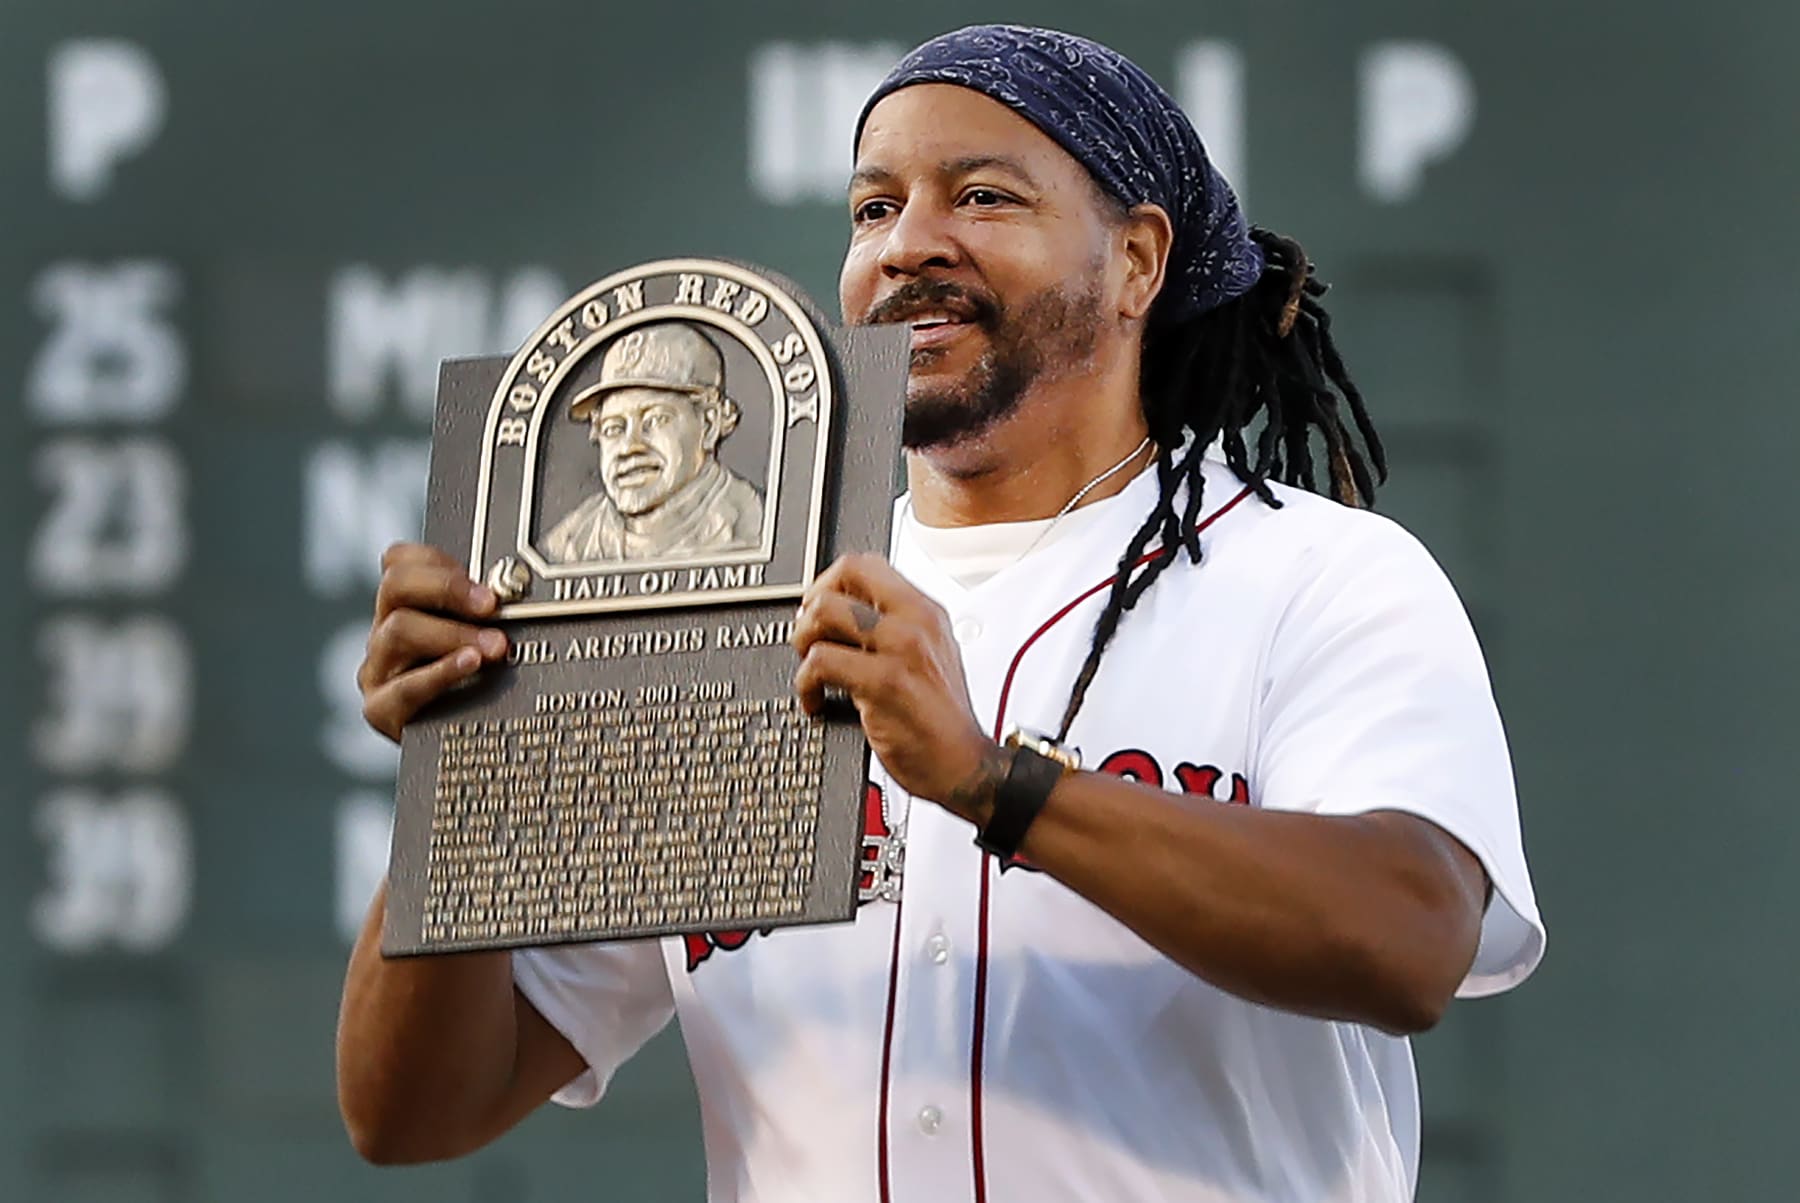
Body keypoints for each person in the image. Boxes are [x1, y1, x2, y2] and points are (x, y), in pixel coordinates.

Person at [339, 24, 1544, 1203]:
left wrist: (993, 782)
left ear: (1136, 261)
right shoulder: (721, 607)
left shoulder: (1317, 575)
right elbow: (414, 1112)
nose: (910, 244)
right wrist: (467, 774)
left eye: (982, 197)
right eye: (873, 210)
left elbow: (1412, 934)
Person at [543, 321, 763, 564]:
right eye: (613, 428)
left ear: (709, 425)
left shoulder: (760, 526)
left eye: (656, 420)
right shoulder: (568, 543)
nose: (629, 447)